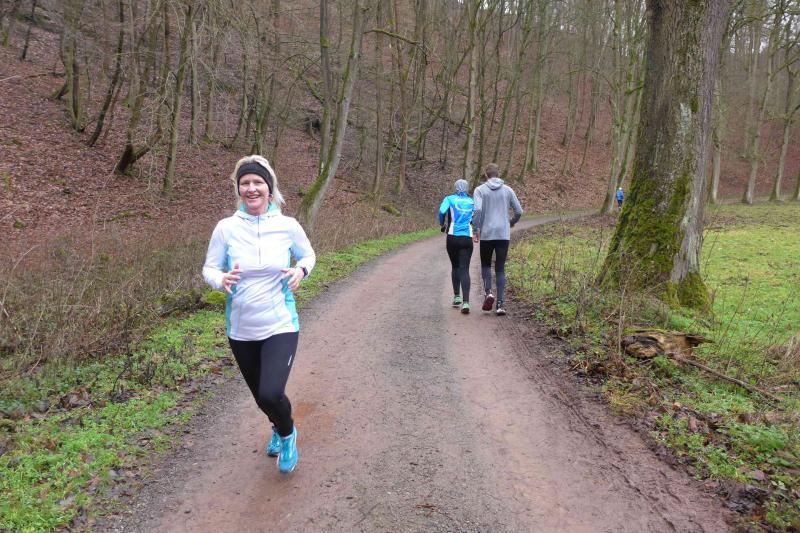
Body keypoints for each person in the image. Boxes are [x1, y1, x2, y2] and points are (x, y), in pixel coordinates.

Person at [202, 155, 315, 474]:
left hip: (280, 324)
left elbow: (308, 255)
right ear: (238, 189)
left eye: (258, 182)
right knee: (261, 397)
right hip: (241, 330)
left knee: (271, 392)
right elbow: (209, 267)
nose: (251, 188)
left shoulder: (287, 226)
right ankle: (277, 426)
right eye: (245, 183)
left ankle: (288, 435)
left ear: (269, 188)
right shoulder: (226, 228)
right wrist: (220, 280)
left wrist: (300, 271)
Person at [472, 163, 523, 316]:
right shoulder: (508, 190)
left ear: (486, 175)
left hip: (487, 234)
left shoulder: (480, 190)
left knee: (486, 264)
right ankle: (500, 304)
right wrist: (511, 222)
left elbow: (478, 209)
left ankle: (488, 292)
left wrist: (476, 229)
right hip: (503, 234)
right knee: (500, 268)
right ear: (498, 174)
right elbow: (519, 211)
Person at [438, 179, 475, 314]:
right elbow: (477, 216)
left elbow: (442, 211)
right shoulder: (472, 201)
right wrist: (475, 227)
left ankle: (456, 296)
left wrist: (442, 223)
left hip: (452, 237)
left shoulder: (449, 199)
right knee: (464, 269)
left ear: (455, 188)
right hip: (467, 238)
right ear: (467, 188)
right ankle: (466, 302)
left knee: (455, 267)